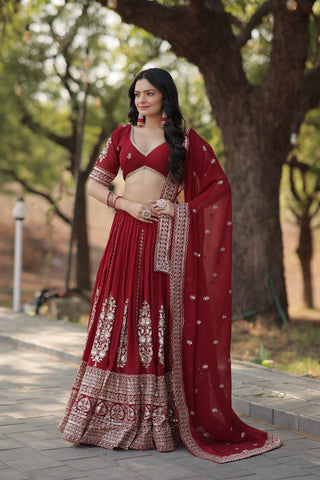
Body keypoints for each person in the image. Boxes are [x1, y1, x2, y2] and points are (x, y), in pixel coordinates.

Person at [58, 68, 281, 463]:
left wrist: (179, 210)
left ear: (165, 96)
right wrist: (124, 204)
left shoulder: (185, 140)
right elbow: (95, 184)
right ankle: (100, 418)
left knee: (155, 319)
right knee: (118, 316)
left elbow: (218, 187)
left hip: (164, 242)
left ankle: (156, 420)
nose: (142, 100)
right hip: (125, 236)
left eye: (150, 93)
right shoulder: (120, 135)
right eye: (137, 93)